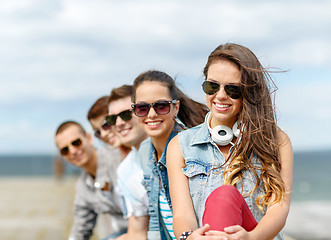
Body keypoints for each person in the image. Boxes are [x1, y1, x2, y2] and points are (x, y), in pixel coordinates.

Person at [167, 43, 293, 240]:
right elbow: (182, 214)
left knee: (224, 197)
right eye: (212, 86)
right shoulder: (180, 145)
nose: (221, 95)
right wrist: (190, 237)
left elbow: (279, 209)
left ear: (249, 92)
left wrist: (251, 238)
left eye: (233, 89)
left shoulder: (276, 141)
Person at [132, 70, 208, 240]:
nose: (151, 114)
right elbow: (155, 215)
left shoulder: (195, 148)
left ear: (176, 107)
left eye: (161, 106)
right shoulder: (144, 151)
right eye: (142, 107)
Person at [55, 121, 128, 240]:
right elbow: (80, 228)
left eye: (76, 143)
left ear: (89, 138)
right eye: (65, 150)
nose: (72, 151)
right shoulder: (83, 186)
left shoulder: (119, 158)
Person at [106, 85, 150, 240]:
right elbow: (138, 232)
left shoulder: (177, 148)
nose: (118, 123)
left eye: (125, 114)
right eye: (112, 118)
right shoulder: (125, 170)